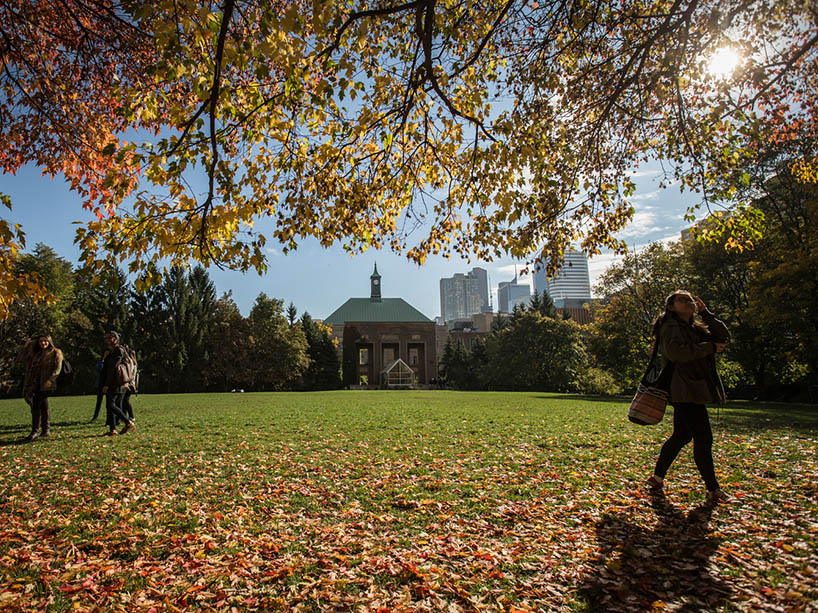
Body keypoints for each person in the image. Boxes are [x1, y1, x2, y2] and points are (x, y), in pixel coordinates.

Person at [645, 290, 732, 504]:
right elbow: (676, 354)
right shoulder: (671, 327)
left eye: (691, 299)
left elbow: (723, 336)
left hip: (692, 388)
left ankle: (656, 478)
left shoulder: (694, 327)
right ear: (671, 306)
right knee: (703, 438)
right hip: (683, 390)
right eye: (682, 300)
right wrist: (708, 348)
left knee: (682, 435)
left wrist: (707, 314)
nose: (689, 302)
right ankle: (712, 489)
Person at [18, 335, 63, 441]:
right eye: (41, 341)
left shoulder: (55, 352)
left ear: (50, 342)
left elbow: (58, 369)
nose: (43, 343)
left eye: (45, 341)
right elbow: (20, 360)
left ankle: (35, 430)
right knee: (42, 405)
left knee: (36, 405)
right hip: (33, 383)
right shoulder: (35, 353)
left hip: (46, 384)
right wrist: (25, 347)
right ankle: (45, 430)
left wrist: (51, 380)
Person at [100, 331, 136, 435]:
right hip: (114, 382)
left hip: (115, 382)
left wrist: (107, 384)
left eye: (109, 338)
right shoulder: (112, 351)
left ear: (115, 339)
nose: (107, 340)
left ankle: (127, 421)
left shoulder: (118, 350)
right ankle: (112, 429)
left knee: (111, 404)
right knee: (110, 405)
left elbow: (113, 368)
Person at [90, 352, 106, 422]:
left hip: (108, 384)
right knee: (99, 401)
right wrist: (102, 360)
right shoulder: (101, 362)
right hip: (100, 384)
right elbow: (98, 368)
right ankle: (95, 416)